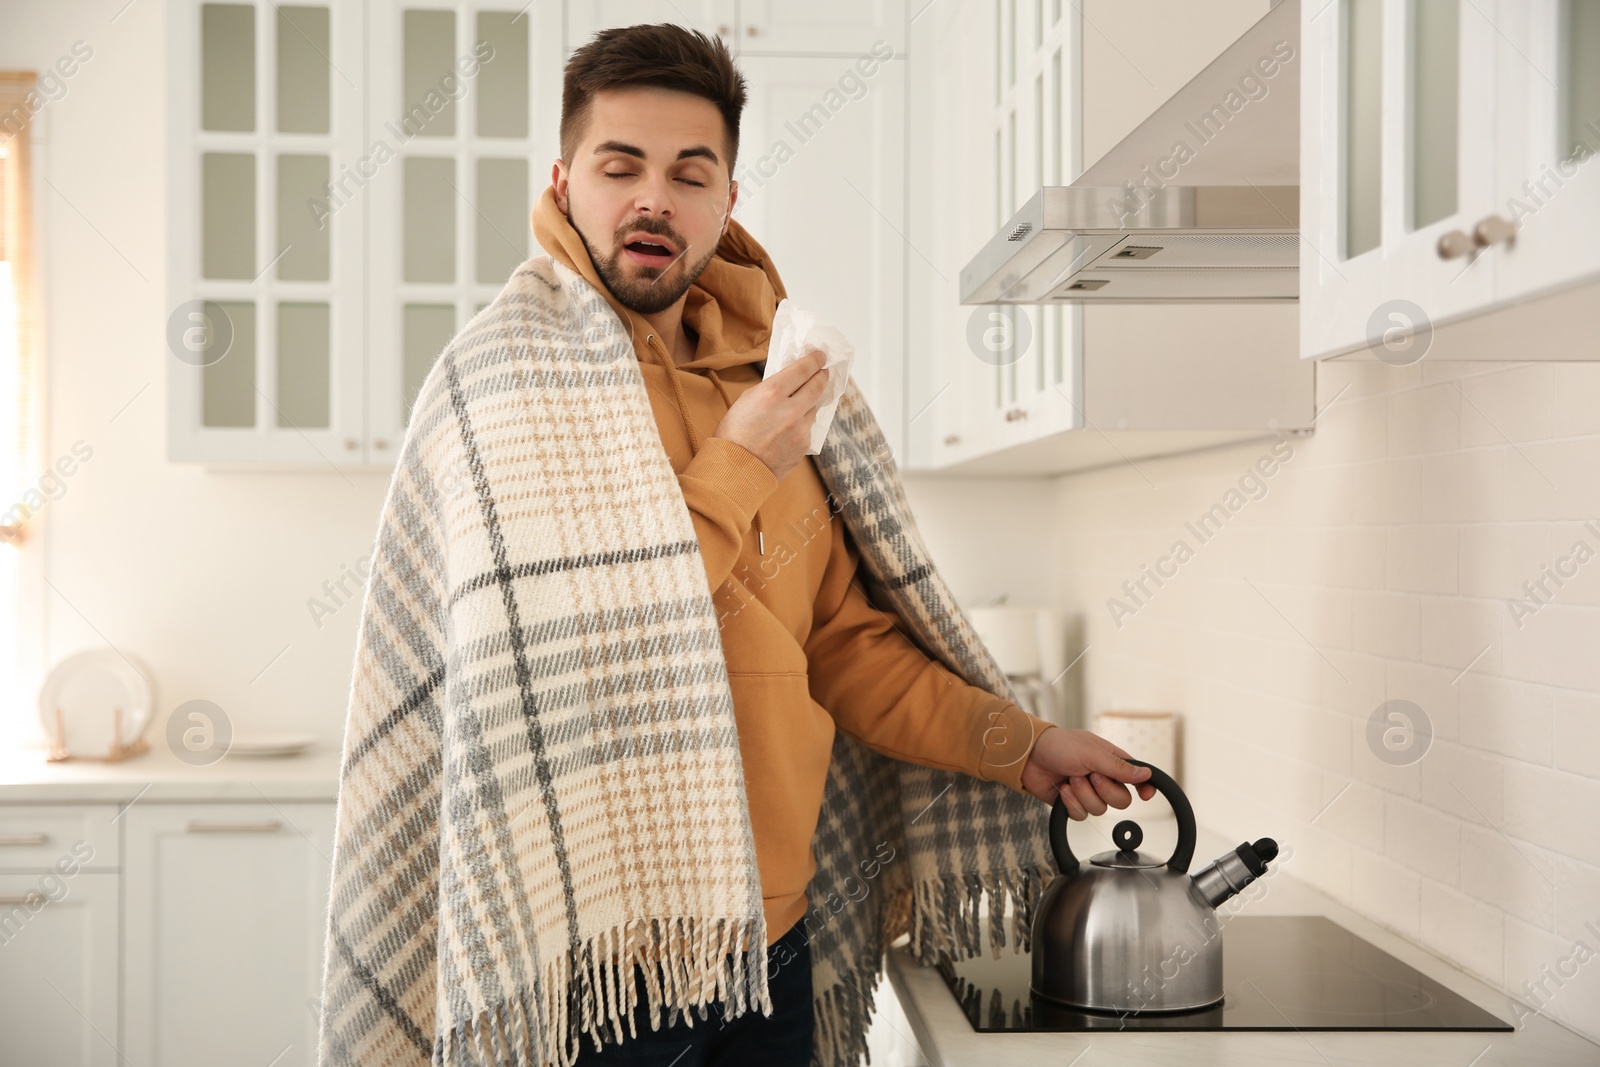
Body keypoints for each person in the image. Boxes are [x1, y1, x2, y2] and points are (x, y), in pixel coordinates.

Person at [534, 24, 1156, 1065]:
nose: (654, 199)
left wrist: (1024, 743)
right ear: (564, 184)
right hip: (600, 962)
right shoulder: (518, 383)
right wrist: (736, 464)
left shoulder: (777, 376)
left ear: (727, 199)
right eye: (620, 166)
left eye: (691, 173)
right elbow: (576, 636)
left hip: (777, 936)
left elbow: (840, 646)